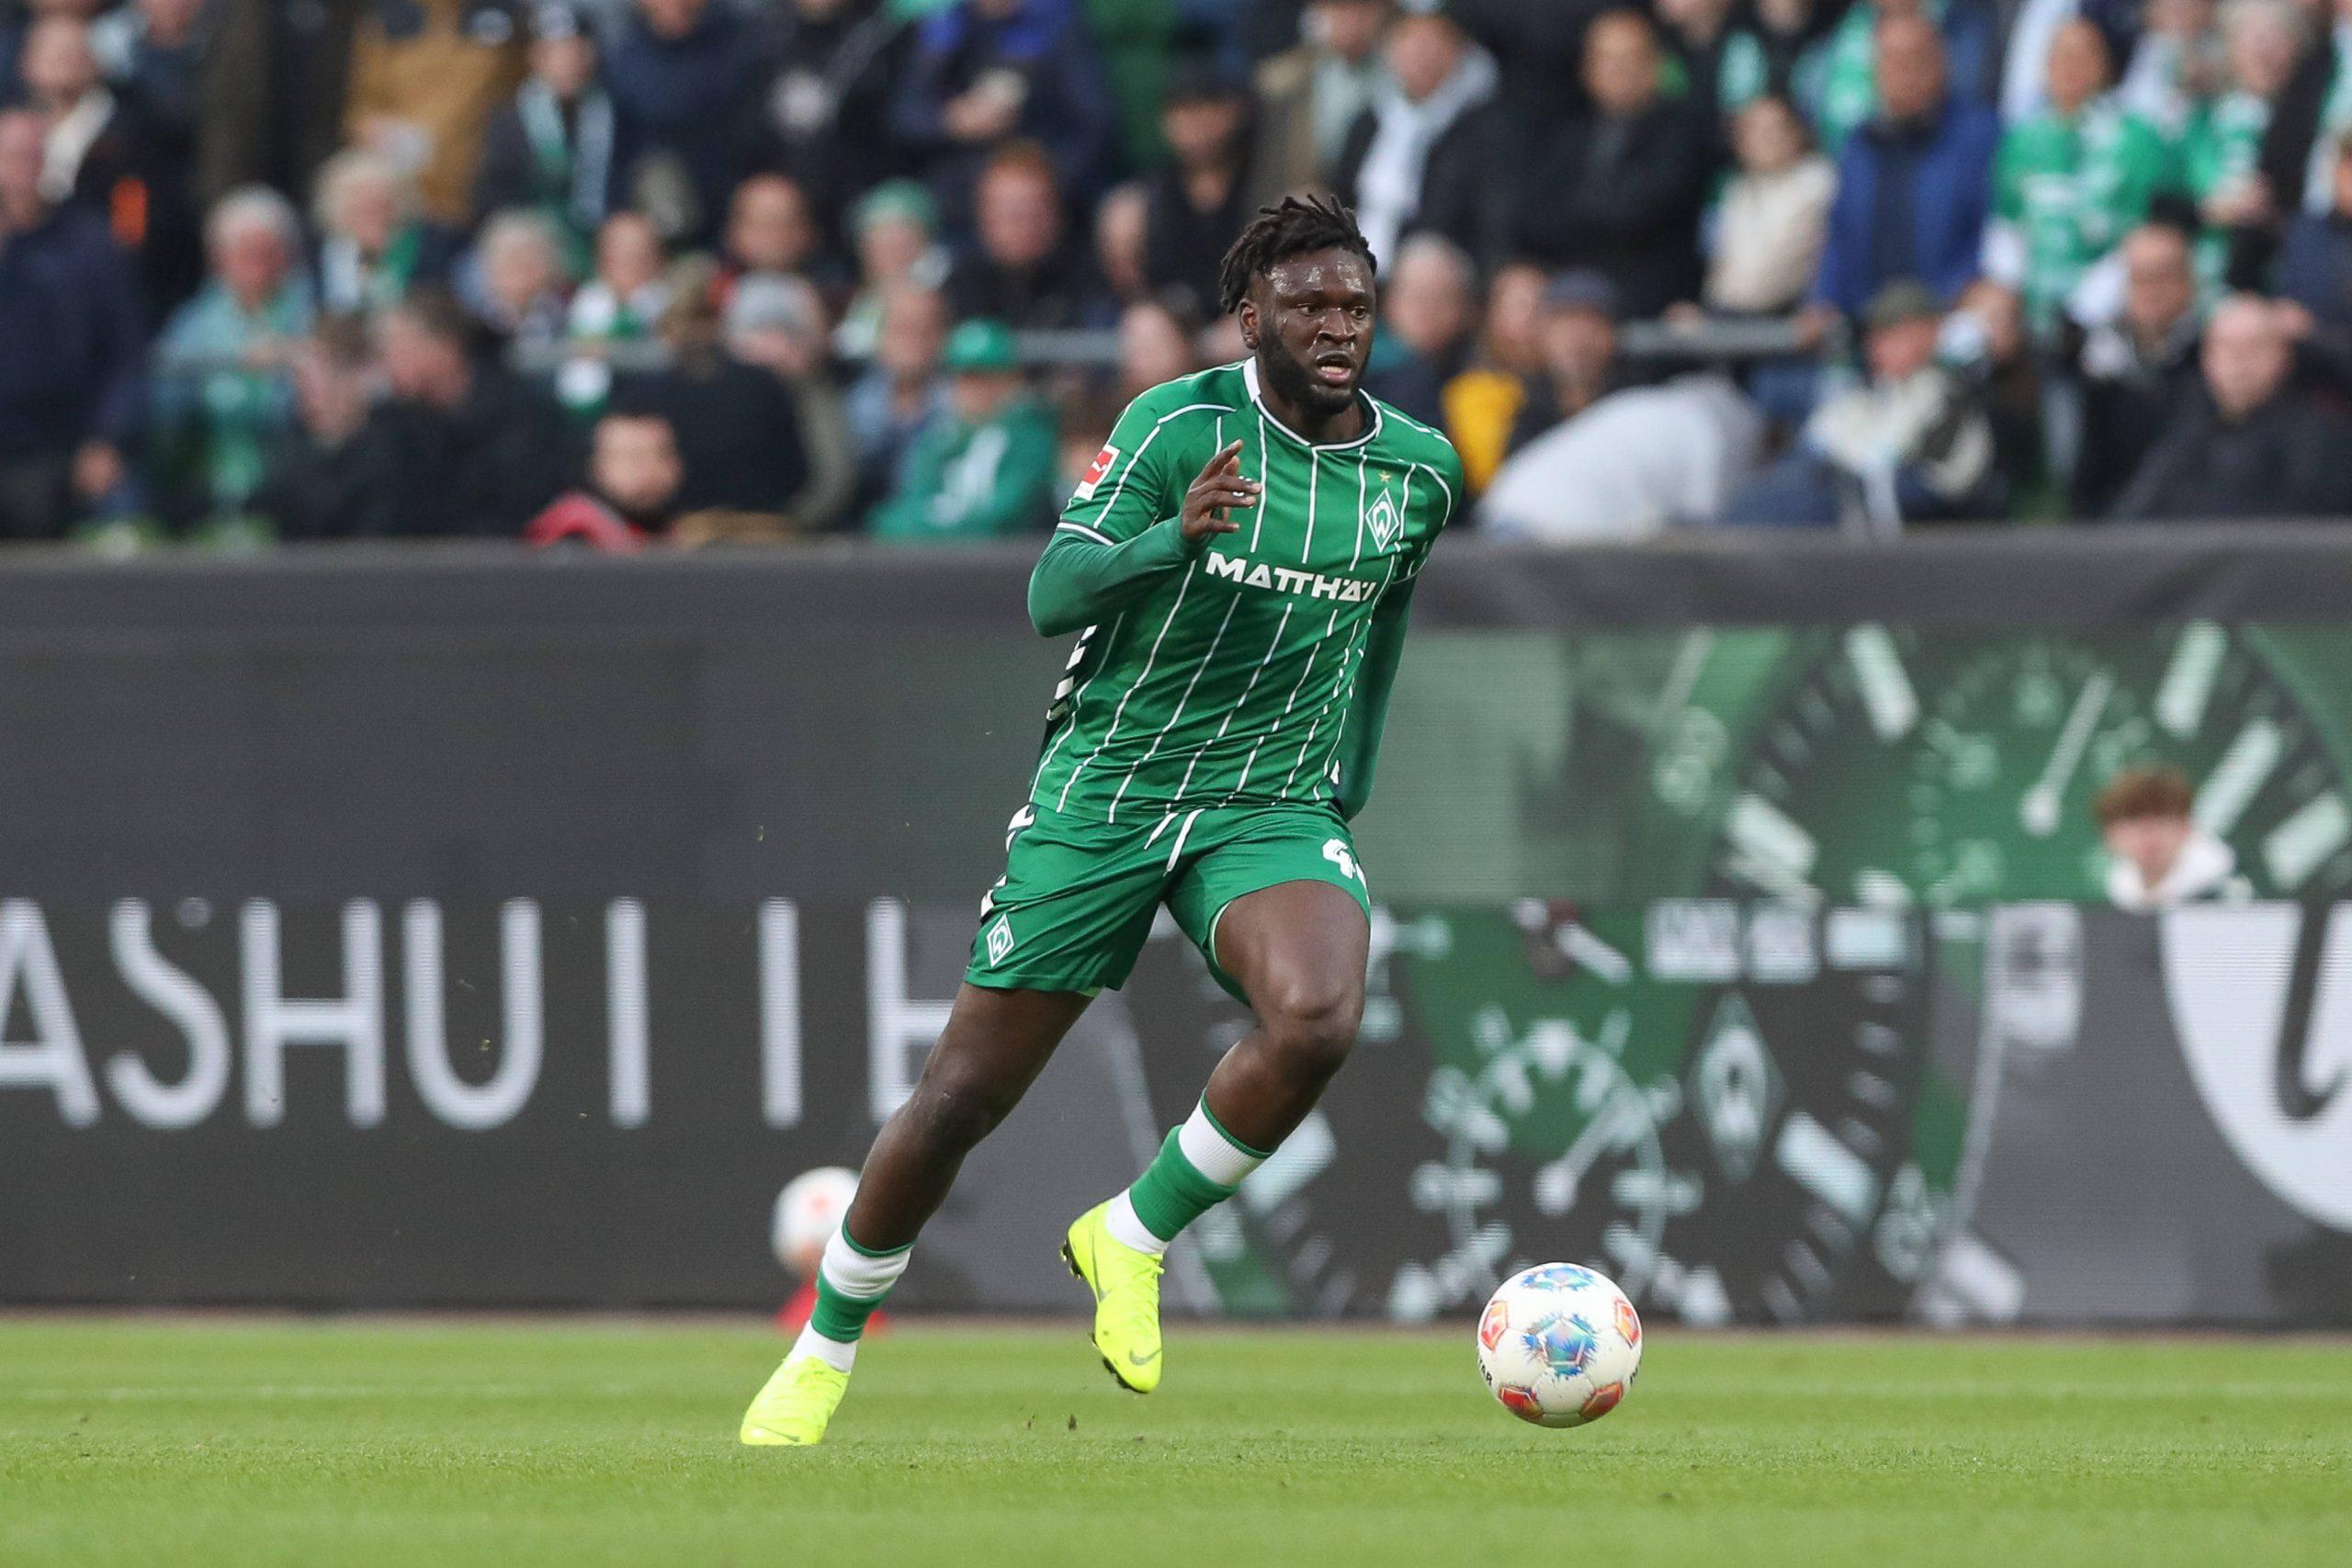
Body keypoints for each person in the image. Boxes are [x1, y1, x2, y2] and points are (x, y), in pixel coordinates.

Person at [738, 195, 1464, 1446]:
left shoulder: (1418, 470)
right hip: (1115, 789)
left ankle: (1131, 1232)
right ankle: (825, 1344)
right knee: (961, 1096)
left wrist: (1348, 774)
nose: (1337, 327)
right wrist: (1169, 542)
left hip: (1268, 796)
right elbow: (1051, 590)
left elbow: (1384, 615)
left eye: (1354, 305)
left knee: (1318, 1014)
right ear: (1252, 319)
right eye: (1307, 306)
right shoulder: (1176, 427)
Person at [1724, 277, 1996, 529]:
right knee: (1778, 486)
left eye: (1889, 334)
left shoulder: (1945, 388)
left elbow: (1887, 453)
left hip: (1915, 506)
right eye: (1873, 336)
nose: (1874, 347)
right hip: (1859, 498)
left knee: (1800, 496)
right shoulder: (1883, 388)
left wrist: (1838, 454)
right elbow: (1823, 434)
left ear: (1926, 331)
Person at [1498, 8, 1713, 318]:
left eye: (1630, 58)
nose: (1618, 70)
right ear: (1587, 69)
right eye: (1606, 59)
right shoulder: (1569, 136)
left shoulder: (1682, 134)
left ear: (1656, 65)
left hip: (1651, 297)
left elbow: (1639, 212)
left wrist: (1578, 215)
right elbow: (1536, 217)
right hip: (1569, 287)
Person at [0, 104, 143, 540]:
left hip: (62, 449)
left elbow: (124, 351)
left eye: (32, 154)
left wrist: (107, 439)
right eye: (12, 155)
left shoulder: (89, 244)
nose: (23, 167)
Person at [1983, 18, 2169, 344]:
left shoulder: (2137, 138)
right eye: (2063, 56)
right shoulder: (2022, 140)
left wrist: (2103, 290)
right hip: (2034, 308)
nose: (2072, 67)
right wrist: (2007, 292)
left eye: (2084, 56)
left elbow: (2150, 226)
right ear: (2045, 67)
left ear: (2106, 66)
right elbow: (2007, 226)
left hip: (2113, 310)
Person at [1812, 11, 2000, 317]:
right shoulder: (1860, 144)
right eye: (1890, 60)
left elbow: (1990, 234)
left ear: (1942, 63)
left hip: (1949, 315)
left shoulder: (1979, 137)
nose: (1903, 72)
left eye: (1914, 59)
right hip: (1868, 322)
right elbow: (1840, 235)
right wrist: (1824, 300)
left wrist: (1949, 300)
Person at [150, 186, 318, 525]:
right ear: (219, 259)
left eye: (267, 252)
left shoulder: (311, 312)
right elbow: (164, 395)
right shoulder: (195, 322)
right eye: (245, 253)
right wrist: (234, 361)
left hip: (290, 484)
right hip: (207, 481)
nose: (257, 265)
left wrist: (290, 362)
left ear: (287, 255)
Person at [2109, 291, 2352, 519]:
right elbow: (2132, 517)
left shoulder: (2320, 440)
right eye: (2226, 347)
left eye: (2254, 346)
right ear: (2206, 359)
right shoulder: (2183, 434)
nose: (2239, 361)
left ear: (2284, 356)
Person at [1331, 3, 1497, 269]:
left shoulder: (1479, 129)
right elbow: (1341, 192)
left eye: (1435, 41)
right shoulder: (1369, 120)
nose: (1423, 54)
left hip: (1435, 264)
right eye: (1410, 39)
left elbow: (1482, 222)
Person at [865, 316, 1059, 542]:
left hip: (1005, 558)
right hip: (938, 554)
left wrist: (932, 527)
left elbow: (1004, 518)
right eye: (965, 377)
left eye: (985, 377)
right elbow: (908, 506)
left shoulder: (1030, 441)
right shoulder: (940, 438)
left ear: (1011, 379)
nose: (974, 389)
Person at [340, 0, 529, 228]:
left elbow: (530, 91)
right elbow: (363, 107)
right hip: (407, 198)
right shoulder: (389, 19)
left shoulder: (507, 15)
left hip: (486, 190)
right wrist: (380, 132)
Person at [2074, 220, 2203, 514]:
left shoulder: (2209, 358)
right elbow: (2089, 474)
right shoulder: (2101, 365)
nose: (2150, 291)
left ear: (2188, 283)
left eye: (2162, 277)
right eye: (2139, 278)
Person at [602, 0, 758, 242]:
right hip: (650, 213)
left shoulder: (740, 45)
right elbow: (618, 150)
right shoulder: (624, 56)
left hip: (726, 203)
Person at [470, 2, 620, 253]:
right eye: (558, 52)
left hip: (596, 237)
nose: (569, 61)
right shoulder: (510, 120)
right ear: (536, 57)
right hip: (534, 241)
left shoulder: (612, 113)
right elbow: (491, 197)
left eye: (577, 49)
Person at [1138, 62, 1257, 324]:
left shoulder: (1260, 179)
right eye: (1182, 112)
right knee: (1145, 324)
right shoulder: (1160, 189)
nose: (1194, 125)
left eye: (1203, 109)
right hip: (1178, 317)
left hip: (1247, 315)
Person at [942, 140, 1100, 330]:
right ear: (983, 216)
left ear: (1058, 214)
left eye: (1035, 211)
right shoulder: (955, 292)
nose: (1024, 225)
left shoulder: (1091, 282)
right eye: (1011, 213)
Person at [1703, 93, 1838, 315]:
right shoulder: (1737, 188)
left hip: (1789, 316)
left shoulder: (1817, 182)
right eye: (1754, 130)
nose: (1766, 139)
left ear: (1796, 132)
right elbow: (1724, 270)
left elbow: (1772, 274)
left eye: (1775, 129)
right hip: (1730, 316)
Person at [1252, 0, 1394, 193]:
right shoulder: (1280, 82)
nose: (1352, 21)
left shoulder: (1400, 75)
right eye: (1341, 9)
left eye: (1363, 9)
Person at [845, 281, 950, 508]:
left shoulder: (961, 406)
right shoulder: (853, 405)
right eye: (903, 330)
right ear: (879, 335)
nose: (914, 342)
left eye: (926, 330)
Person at [2096, 764, 2251, 908]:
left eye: (2162, 820)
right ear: (2110, 834)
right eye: (2134, 821)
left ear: (2186, 827)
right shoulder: (2119, 895)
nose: (2149, 834)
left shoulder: (2231, 896)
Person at [1363, 231, 1475, 424]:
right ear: (1389, 301)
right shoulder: (1363, 370)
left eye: (1441, 298)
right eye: (1416, 297)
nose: (1427, 311)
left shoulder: (1475, 375)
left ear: (1465, 308)